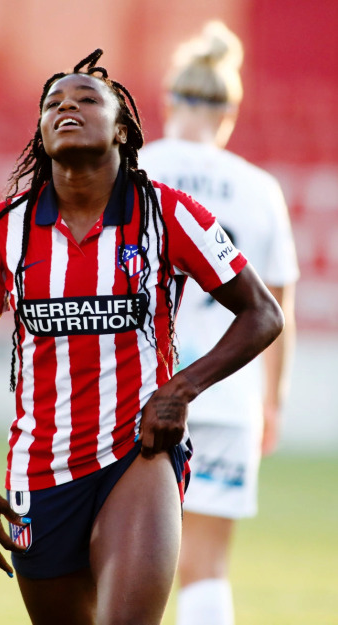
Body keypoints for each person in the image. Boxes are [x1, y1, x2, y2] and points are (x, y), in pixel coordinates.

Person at [0, 48, 284, 625]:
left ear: (122, 127)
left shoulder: (166, 214)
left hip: (138, 451)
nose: (66, 108)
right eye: (54, 103)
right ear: (41, 131)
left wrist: (180, 391)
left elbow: (263, 312)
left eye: (86, 99)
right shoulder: (2, 230)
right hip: (40, 467)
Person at [139, 22, 299, 625]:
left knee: (125, 557)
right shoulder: (260, 189)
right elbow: (277, 306)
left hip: (142, 390)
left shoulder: (136, 173)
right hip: (230, 392)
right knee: (205, 569)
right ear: (230, 109)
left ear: (170, 98)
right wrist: (273, 404)